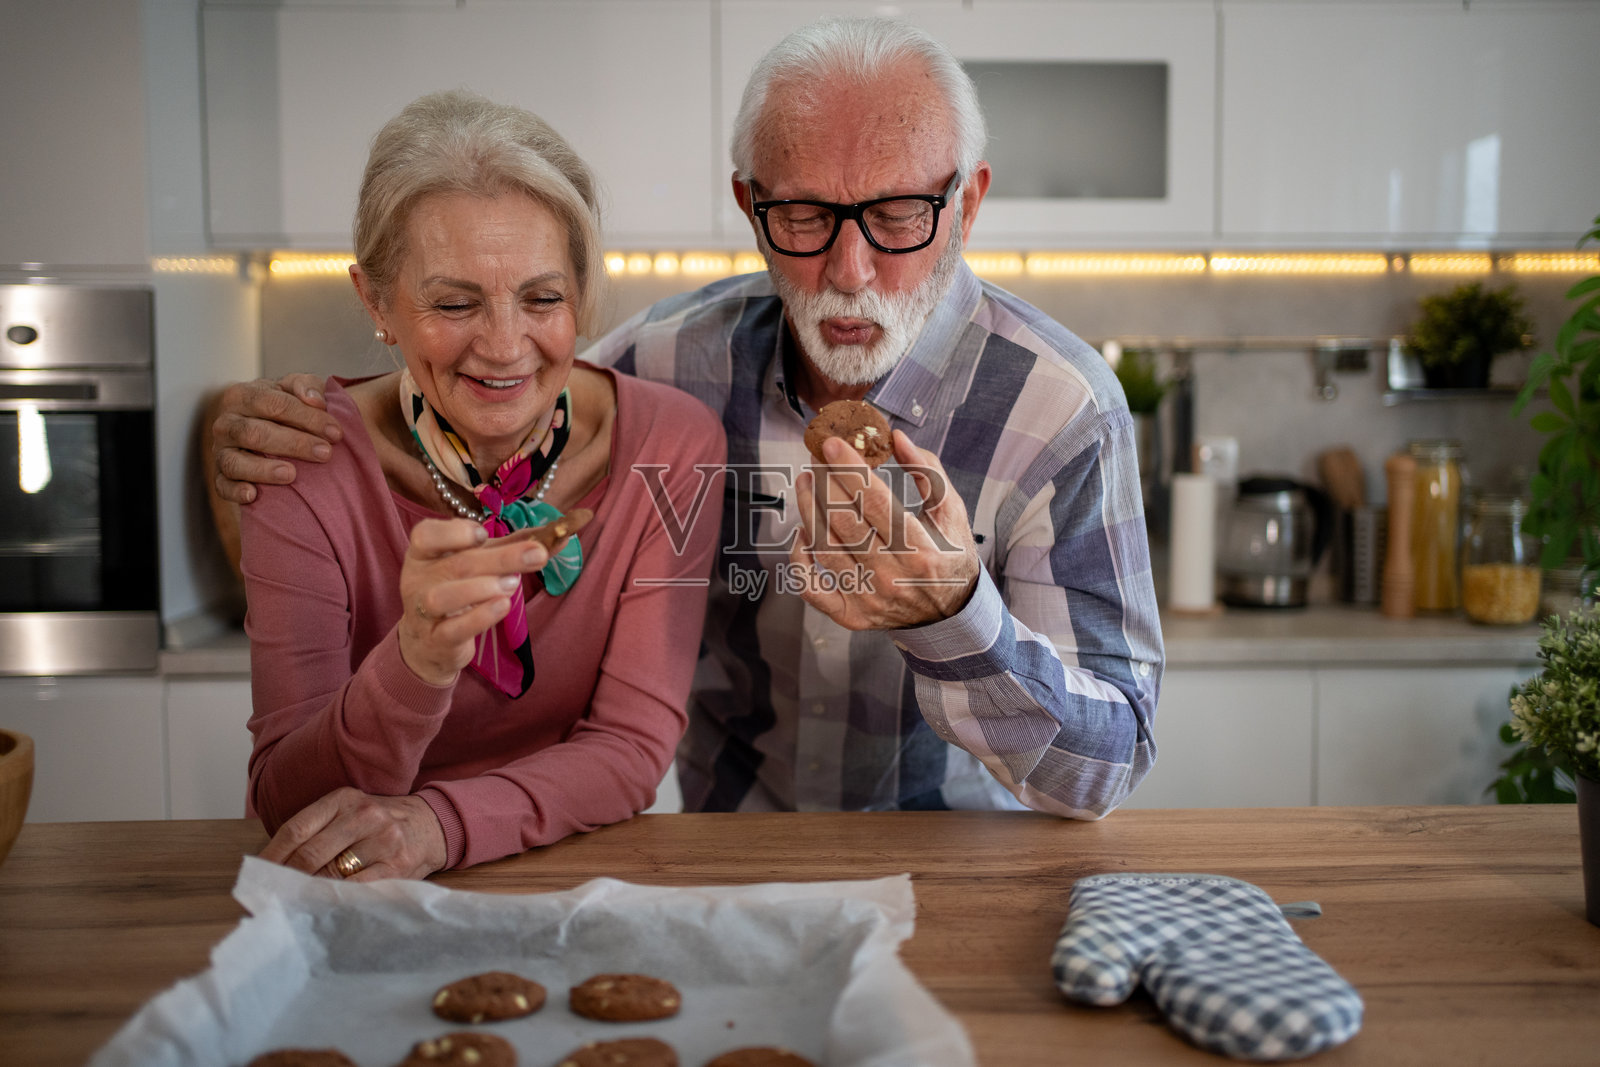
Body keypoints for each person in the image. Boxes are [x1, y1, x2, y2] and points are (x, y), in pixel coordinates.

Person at [213, 17, 1161, 820]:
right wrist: (257, 422)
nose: (849, 269)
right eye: (802, 215)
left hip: (964, 875)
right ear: (749, 206)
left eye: (902, 214)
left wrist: (961, 615)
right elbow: (505, 382)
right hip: (729, 860)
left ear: (967, 204)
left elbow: (1105, 771)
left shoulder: (1062, 410)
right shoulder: (665, 368)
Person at [238, 89, 725, 880]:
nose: (504, 347)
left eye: (542, 298)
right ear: (375, 301)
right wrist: (417, 662)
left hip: (573, 870)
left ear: (583, 295)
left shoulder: (674, 446)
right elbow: (289, 799)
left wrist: (438, 824)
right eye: (455, 302)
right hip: (356, 886)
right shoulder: (299, 459)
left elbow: (632, 750)